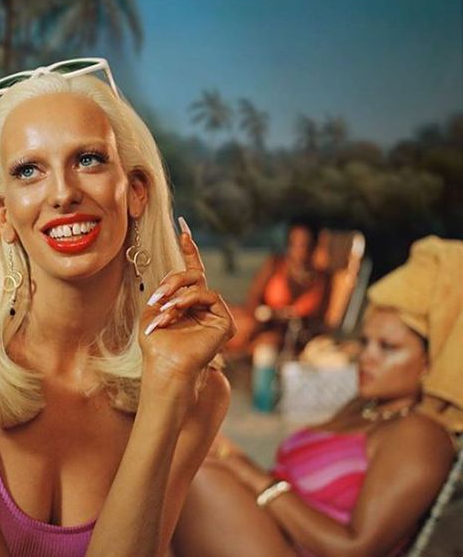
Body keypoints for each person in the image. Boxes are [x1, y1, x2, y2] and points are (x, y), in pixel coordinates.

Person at [0, 58, 236, 557]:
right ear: (2, 214)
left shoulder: (197, 391)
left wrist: (165, 389)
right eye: (29, 171)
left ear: (136, 192)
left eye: (89, 160)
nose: (63, 194)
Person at [175, 235, 463, 556]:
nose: (366, 357)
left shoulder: (421, 435)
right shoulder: (364, 408)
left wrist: (253, 478)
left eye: (388, 348)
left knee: (189, 472)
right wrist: (234, 458)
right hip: (265, 533)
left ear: (430, 363)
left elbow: (356, 547)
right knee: (184, 453)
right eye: (365, 342)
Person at [225, 222, 328, 356]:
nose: (298, 249)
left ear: (314, 246)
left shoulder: (321, 279)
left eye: (304, 244)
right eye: (294, 243)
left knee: (268, 344)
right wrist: (265, 315)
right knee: (243, 325)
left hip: (292, 336)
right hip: (260, 325)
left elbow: (322, 321)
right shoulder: (275, 265)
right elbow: (253, 299)